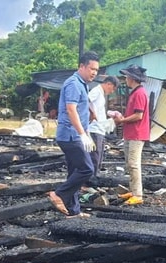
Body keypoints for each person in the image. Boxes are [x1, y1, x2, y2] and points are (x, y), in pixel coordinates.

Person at [48, 51, 99, 218]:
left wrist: (87, 127)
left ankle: (73, 211)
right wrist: (82, 134)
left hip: (76, 134)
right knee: (86, 169)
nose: (94, 72)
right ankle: (58, 194)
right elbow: (71, 109)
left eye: (96, 70)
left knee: (74, 172)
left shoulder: (82, 84)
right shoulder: (73, 84)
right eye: (91, 68)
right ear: (81, 66)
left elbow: (82, 109)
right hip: (70, 136)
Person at [114, 65, 150, 205]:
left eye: (127, 77)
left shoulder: (139, 93)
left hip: (137, 133)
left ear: (132, 78)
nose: (126, 79)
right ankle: (133, 190)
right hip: (131, 132)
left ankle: (138, 194)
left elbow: (138, 115)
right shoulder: (135, 92)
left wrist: (122, 120)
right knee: (129, 163)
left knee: (133, 164)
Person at [88, 76, 120, 177]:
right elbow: (86, 100)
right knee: (94, 156)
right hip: (94, 128)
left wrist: (109, 113)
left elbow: (98, 109)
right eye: (113, 88)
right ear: (108, 84)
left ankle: (94, 178)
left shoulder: (101, 94)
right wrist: (92, 113)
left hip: (100, 128)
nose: (112, 91)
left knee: (99, 156)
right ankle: (90, 180)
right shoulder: (96, 91)